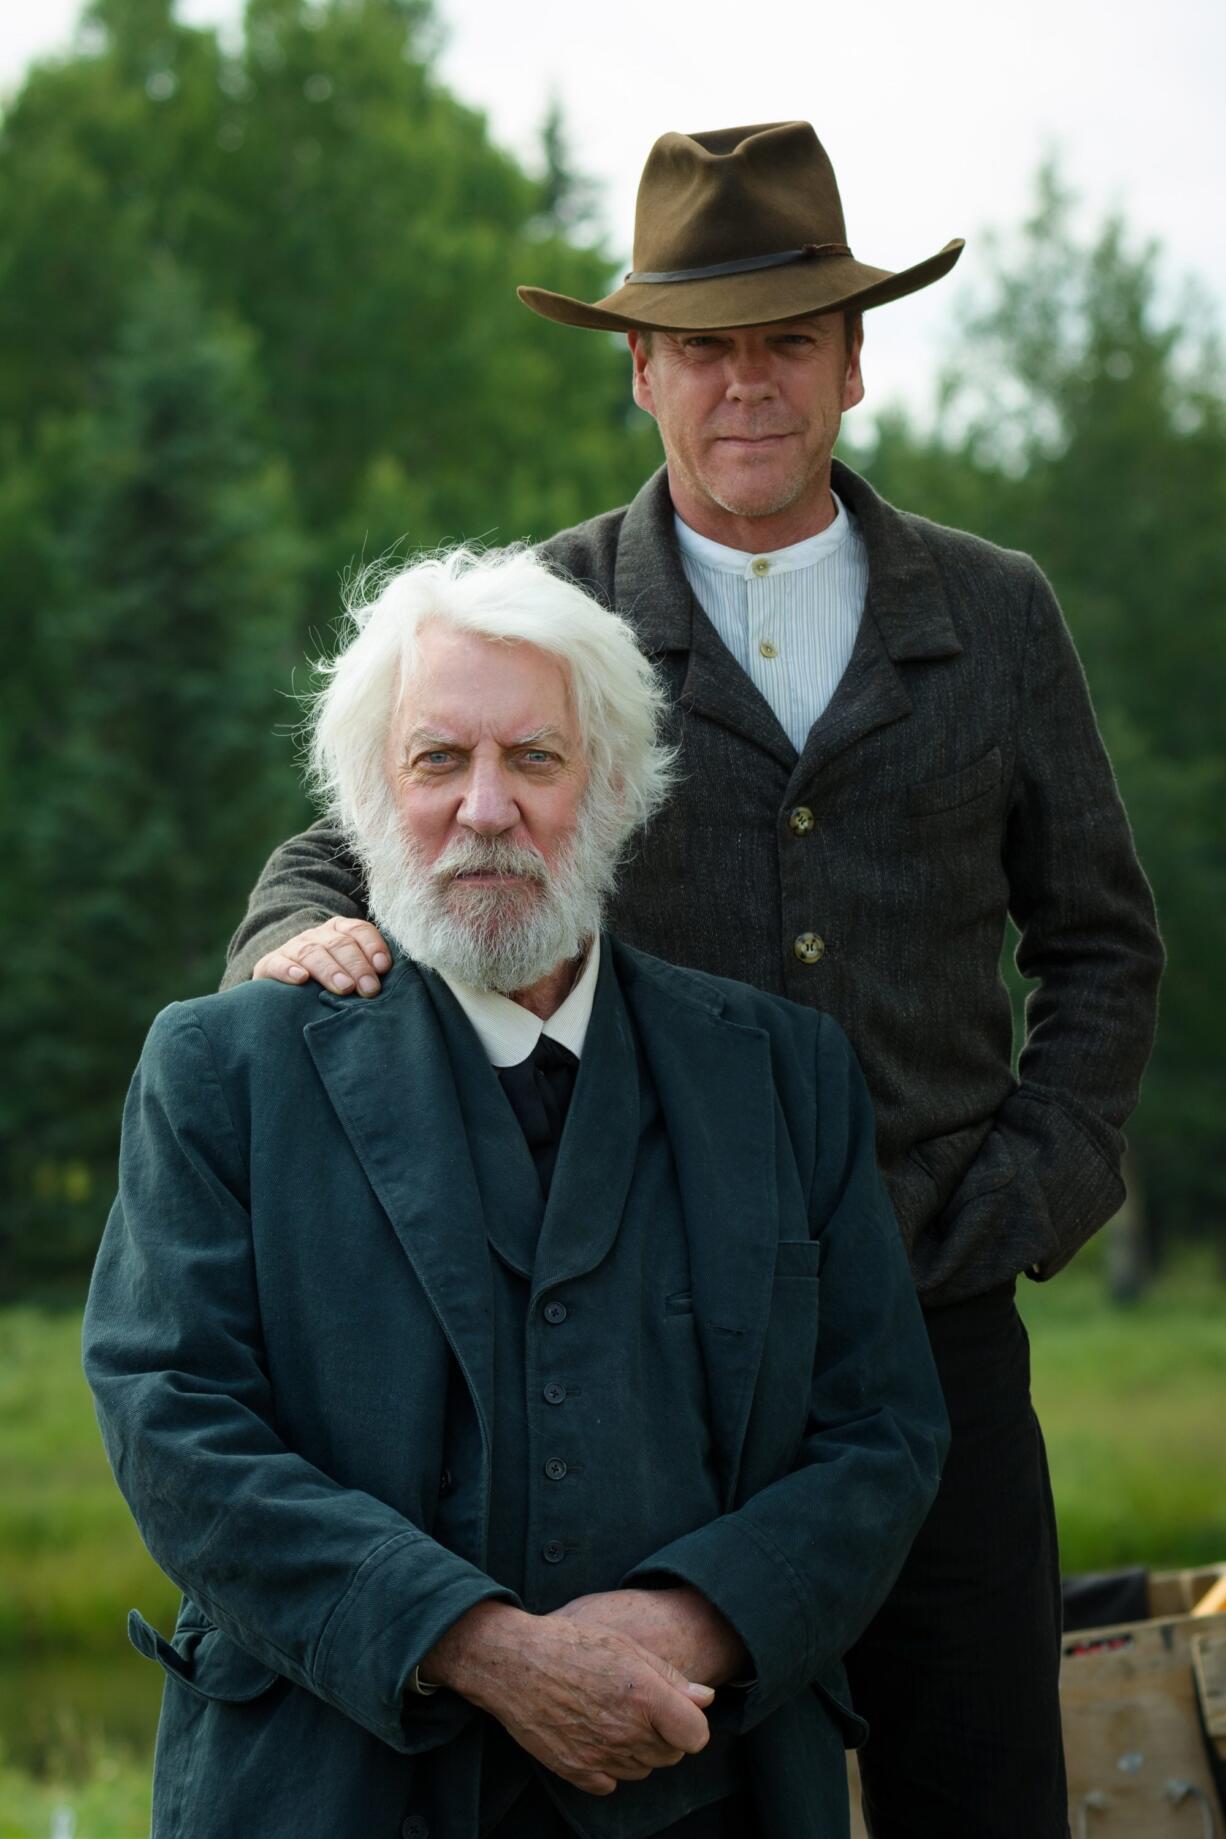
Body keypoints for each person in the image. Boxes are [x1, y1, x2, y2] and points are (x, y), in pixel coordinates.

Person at [222, 123, 1164, 1835]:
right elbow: (360, 836)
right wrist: (288, 947)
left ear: (853, 362)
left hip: (940, 1322)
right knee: (705, 1796)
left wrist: (1035, 1192)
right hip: (662, 1345)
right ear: (639, 372)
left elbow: (1100, 942)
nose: (749, 386)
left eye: (788, 341)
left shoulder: (995, 611)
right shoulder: (553, 612)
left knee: (987, 1787)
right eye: (706, 349)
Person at [83, 546, 948, 1839]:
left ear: (608, 787)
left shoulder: (784, 1076)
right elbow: (174, 1424)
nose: (485, 808)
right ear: (370, 792)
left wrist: (686, 1626)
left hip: (706, 1787)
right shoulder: (220, 1072)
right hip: (326, 1792)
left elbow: (879, 1434)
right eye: (439, 759)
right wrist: (483, 1649)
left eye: (533, 760)